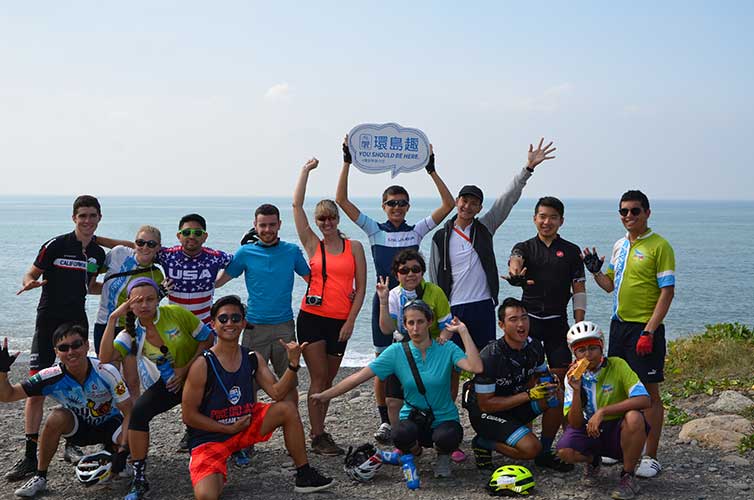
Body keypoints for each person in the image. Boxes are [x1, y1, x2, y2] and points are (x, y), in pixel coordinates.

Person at [336, 135, 455, 444]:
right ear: (384, 206)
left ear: (408, 206)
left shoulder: (416, 230)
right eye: (392, 203)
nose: (397, 208)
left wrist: (431, 169)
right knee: (382, 363)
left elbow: (449, 205)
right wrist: (347, 162)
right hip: (385, 301)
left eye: (402, 203)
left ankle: (419, 415)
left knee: (419, 358)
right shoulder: (375, 229)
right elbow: (343, 202)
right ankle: (385, 422)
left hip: (416, 305)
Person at [182, 295, 334, 499]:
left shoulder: (252, 357)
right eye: (223, 319)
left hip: (244, 426)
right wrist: (226, 429)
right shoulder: (203, 364)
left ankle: (304, 474)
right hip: (211, 437)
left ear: (244, 323)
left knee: (287, 408)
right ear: (213, 324)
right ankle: (212, 466)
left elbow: (277, 392)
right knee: (207, 496)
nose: (230, 323)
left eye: (236, 319)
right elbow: (189, 416)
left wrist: (293, 364)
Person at [311, 301, 483, 479]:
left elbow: (476, 367)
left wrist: (463, 331)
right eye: (410, 323)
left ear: (429, 322)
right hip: (413, 417)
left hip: (444, 418)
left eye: (420, 322)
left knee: (447, 437)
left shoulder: (446, 348)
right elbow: (359, 377)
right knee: (399, 434)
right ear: (404, 325)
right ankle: (415, 452)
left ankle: (443, 455)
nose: (415, 328)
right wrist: (325, 395)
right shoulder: (396, 352)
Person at [10, 195, 107, 481]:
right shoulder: (56, 244)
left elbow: (90, 287)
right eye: (82, 216)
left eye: (92, 216)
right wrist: (28, 282)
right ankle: (30, 455)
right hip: (48, 321)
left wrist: (122, 288)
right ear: (74, 218)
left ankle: (72, 442)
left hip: (77, 321)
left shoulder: (97, 255)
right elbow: (32, 272)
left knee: (77, 380)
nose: (87, 221)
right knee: (37, 386)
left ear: (99, 218)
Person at [429, 138, 556, 351]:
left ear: (479, 208)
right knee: (451, 362)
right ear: (457, 201)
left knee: (484, 360)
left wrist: (528, 169)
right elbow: (433, 277)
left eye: (474, 203)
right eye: (464, 201)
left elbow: (507, 199)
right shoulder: (440, 237)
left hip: (482, 305)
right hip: (453, 308)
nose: (467, 206)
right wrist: (438, 310)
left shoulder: (485, 228)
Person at [584, 189, 675, 478]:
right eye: (623, 211)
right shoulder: (619, 246)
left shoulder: (660, 246)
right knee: (621, 387)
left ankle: (651, 455)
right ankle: (624, 446)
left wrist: (649, 331)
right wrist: (596, 272)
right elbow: (609, 285)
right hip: (619, 325)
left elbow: (667, 292)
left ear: (647, 212)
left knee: (649, 393)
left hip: (645, 327)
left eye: (635, 210)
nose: (629, 216)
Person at [99, 277, 213, 500]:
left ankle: (235, 448)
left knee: (201, 417)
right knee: (139, 412)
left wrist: (184, 369)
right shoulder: (130, 333)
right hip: (172, 381)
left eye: (150, 299)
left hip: (201, 373)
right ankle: (140, 478)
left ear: (158, 301)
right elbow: (104, 358)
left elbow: (208, 339)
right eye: (138, 301)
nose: (144, 305)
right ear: (130, 304)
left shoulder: (176, 313)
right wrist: (113, 318)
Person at [0, 326, 132, 498]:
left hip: (111, 425)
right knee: (56, 416)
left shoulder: (106, 371)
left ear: (86, 345)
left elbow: (130, 412)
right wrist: (2, 372)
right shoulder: (50, 375)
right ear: (56, 352)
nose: (71, 351)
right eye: (63, 348)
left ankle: (131, 465)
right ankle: (40, 477)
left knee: (135, 431)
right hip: (80, 429)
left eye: (76, 345)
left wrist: (123, 451)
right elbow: (8, 395)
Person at [291, 158, 367, 456]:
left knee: (330, 380)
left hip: (340, 322)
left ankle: (319, 430)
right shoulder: (313, 243)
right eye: (321, 219)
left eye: (330, 218)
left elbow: (360, 288)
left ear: (337, 219)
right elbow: (296, 206)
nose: (326, 223)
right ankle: (317, 434)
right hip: (311, 318)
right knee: (319, 378)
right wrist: (305, 171)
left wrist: (350, 321)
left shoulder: (355, 248)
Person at [463, 298, 573, 472]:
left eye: (524, 318)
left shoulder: (534, 346)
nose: (521, 324)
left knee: (556, 397)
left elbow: (542, 374)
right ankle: (483, 442)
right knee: (530, 449)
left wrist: (551, 381)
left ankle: (544, 453)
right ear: (502, 325)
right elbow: (485, 405)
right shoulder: (490, 357)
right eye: (513, 320)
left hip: (516, 405)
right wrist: (528, 395)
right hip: (486, 415)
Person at [556, 321, 650, 500]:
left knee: (634, 417)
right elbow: (574, 423)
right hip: (591, 429)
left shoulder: (618, 365)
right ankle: (593, 461)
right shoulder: (572, 377)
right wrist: (576, 390)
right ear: (574, 353)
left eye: (593, 348)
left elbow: (644, 399)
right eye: (581, 350)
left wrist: (603, 411)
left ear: (602, 347)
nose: (588, 354)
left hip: (618, 427)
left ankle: (628, 476)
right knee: (564, 451)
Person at [216, 204, 310, 381]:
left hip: (285, 327)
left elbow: (313, 281)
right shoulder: (245, 252)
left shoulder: (292, 251)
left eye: (272, 225)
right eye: (263, 225)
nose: (267, 230)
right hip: (254, 327)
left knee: (289, 379)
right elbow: (219, 282)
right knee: (248, 381)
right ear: (255, 225)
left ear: (279, 224)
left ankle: (290, 410)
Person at [505, 196, 586, 393]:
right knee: (527, 381)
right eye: (542, 217)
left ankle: (558, 420)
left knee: (560, 378)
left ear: (561, 221)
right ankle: (526, 423)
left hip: (557, 322)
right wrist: (515, 273)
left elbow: (579, 290)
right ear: (534, 218)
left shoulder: (572, 251)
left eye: (553, 217)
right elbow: (515, 260)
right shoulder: (524, 247)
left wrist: (578, 325)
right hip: (528, 323)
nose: (547, 222)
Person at [375, 249, 452, 426]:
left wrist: (441, 343)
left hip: (431, 348)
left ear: (422, 272)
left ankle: (440, 426)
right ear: (397, 274)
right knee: (393, 401)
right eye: (404, 270)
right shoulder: (394, 294)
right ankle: (399, 438)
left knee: (434, 395)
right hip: (404, 348)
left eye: (415, 269)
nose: (410, 274)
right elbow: (387, 329)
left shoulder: (435, 292)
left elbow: (447, 326)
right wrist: (384, 302)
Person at [91, 225, 165, 355]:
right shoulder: (119, 253)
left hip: (132, 327)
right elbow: (93, 270)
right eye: (140, 243)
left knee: (128, 371)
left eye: (151, 244)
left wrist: (160, 296)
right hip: (104, 322)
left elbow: (149, 308)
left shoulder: (157, 275)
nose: (145, 248)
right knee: (105, 367)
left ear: (158, 247)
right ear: (134, 243)